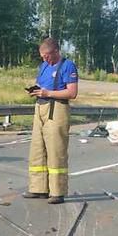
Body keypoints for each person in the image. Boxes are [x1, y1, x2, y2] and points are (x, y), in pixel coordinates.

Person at [26, 37, 79, 203]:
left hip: (57, 108)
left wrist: (48, 93)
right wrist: (36, 92)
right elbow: (41, 85)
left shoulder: (68, 66)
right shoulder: (43, 66)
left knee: (56, 150)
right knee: (37, 149)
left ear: (56, 51)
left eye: (47, 56)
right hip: (40, 107)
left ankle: (57, 192)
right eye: (42, 56)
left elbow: (72, 93)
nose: (45, 59)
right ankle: (38, 188)